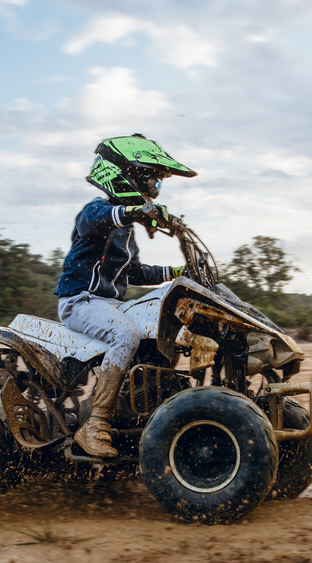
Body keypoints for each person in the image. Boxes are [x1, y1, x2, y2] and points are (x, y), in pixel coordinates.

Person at [54, 134, 197, 457]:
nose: (153, 190)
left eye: (156, 185)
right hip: (80, 301)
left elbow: (135, 273)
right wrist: (138, 211)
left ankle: (143, 410)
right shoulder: (97, 211)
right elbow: (97, 220)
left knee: (163, 326)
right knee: (127, 335)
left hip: (111, 303)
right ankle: (95, 425)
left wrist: (176, 274)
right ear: (125, 175)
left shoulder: (126, 231)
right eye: (150, 181)